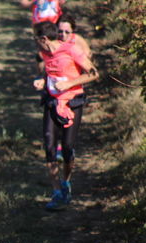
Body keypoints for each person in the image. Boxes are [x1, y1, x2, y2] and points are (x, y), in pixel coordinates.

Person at [32, 21, 99, 210]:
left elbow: (93, 73)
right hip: (52, 102)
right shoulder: (45, 53)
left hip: (72, 102)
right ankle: (56, 192)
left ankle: (66, 182)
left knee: (68, 147)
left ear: (44, 39)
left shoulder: (71, 50)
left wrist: (69, 84)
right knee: (49, 144)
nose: (35, 43)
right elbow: (50, 71)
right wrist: (43, 81)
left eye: (36, 39)